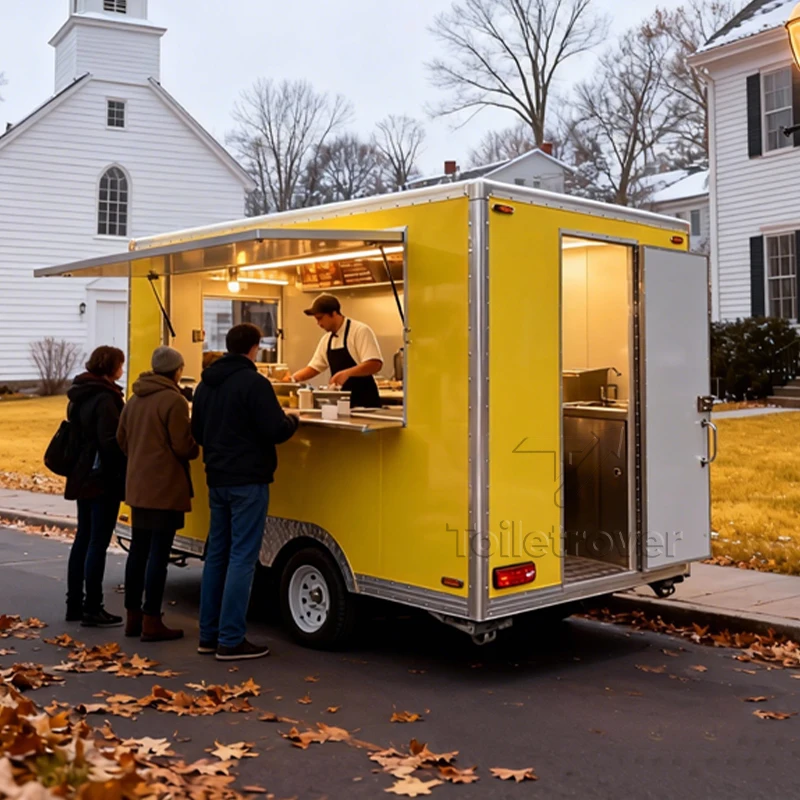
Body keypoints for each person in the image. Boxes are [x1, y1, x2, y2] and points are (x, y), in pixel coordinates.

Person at [192, 323, 299, 661]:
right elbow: (275, 429)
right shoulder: (255, 383)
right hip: (248, 480)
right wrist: (293, 421)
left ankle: (209, 635)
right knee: (242, 557)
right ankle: (232, 639)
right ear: (254, 348)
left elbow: (197, 431)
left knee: (217, 556)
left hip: (217, 478)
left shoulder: (205, 385)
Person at [117, 346, 199, 642]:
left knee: (138, 551)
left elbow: (121, 440)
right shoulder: (173, 401)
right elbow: (182, 446)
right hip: (165, 488)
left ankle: (132, 616)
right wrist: (195, 446)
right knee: (159, 554)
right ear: (176, 370)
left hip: (138, 487)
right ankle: (152, 618)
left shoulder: (134, 399)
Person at [64, 346, 127, 627]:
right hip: (102, 477)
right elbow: (110, 441)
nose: (122, 370)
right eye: (120, 365)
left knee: (83, 538)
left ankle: (74, 603)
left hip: (82, 473)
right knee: (97, 543)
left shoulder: (79, 394)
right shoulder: (106, 399)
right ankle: (93, 606)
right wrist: (122, 468)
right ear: (110, 367)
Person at [287, 293, 384, 408]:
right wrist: (292, 379)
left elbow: (375, 364)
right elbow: (314, 367)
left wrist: (346, 373)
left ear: (334, 313)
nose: (318, 324)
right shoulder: (327, 339)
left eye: (320, 318)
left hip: (365, 403)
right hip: (342, 405)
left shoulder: (360, 331)